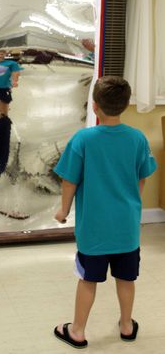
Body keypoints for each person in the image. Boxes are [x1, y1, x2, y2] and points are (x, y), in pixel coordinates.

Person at [53, 75, 157, 349]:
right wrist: (131, 203)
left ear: (95, 106)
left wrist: (63, 210)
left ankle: (77, 331)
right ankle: (126, 325)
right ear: (125, 105)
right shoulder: (137, 138)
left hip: (94, 231)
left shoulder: (83, 139)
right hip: (126, 228)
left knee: (88, 280)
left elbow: (69, 180)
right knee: (126, 278)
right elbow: (142, 177)